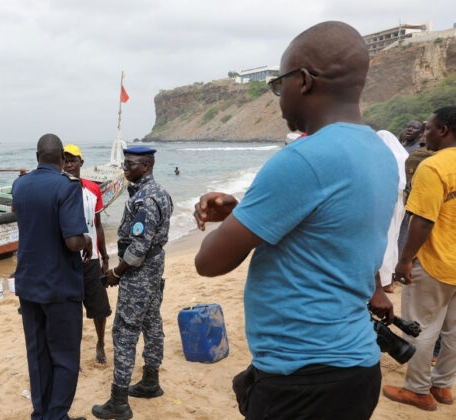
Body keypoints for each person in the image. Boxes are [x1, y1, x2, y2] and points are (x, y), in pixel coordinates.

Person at [193, 22, 398, 420]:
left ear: (303, 81)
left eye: (277, 84)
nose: (277, 97)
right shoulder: (378, 151)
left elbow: (209, 262)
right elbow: (329, 232)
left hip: (303, 379)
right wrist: (244, 213)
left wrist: (235, 218)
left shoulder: (303, 158)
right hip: (354, 366)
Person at [12, 134, 91, 420]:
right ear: (61, 158)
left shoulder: (19, 184)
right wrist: (86, 239)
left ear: (37, 156)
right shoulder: (67, 186)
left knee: (38, 355)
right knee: (66, 356)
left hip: (28, 284)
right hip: (60, 286)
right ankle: (56, 415)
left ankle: (41, 412)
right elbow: (72, 241)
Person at [383, 106, 456, 412]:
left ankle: (418, 390)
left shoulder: (434, 166)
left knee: (421, 327)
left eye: (429, 128)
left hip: (435, 260)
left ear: (443, 130)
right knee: (453, 330)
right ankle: (443, 386)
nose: (425, 134)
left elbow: (422, 221)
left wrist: (404, 261)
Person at [92, 146, 173, 420]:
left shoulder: (145, 200)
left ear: (146, 166)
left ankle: (119, 401)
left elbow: (138, 249)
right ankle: (151, 381)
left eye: (129, 165)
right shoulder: (158, 192)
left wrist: (116, 272)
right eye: (124, 164)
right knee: (152, 321)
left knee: (125, 331)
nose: (124, 170)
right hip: (154, 267)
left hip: (139, 272)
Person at [63, 143, 112, 365]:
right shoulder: (58, 188)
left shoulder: (92, 189)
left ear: (81, 162)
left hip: (90, 260)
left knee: (98, 307)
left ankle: (100, 343)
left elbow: (98, 225)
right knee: (68, 309)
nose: (69, 163)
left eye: (73, 159)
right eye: (64, 159)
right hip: (65, 260)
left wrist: (105, 257)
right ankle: (71, 350)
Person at [372, 130, 409, 295]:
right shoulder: (404, 156)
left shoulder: (382, 156)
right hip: (400, 201)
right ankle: (389, 279)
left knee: (382, 239)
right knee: (393, 238)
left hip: (383, 201)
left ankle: (382, 280)